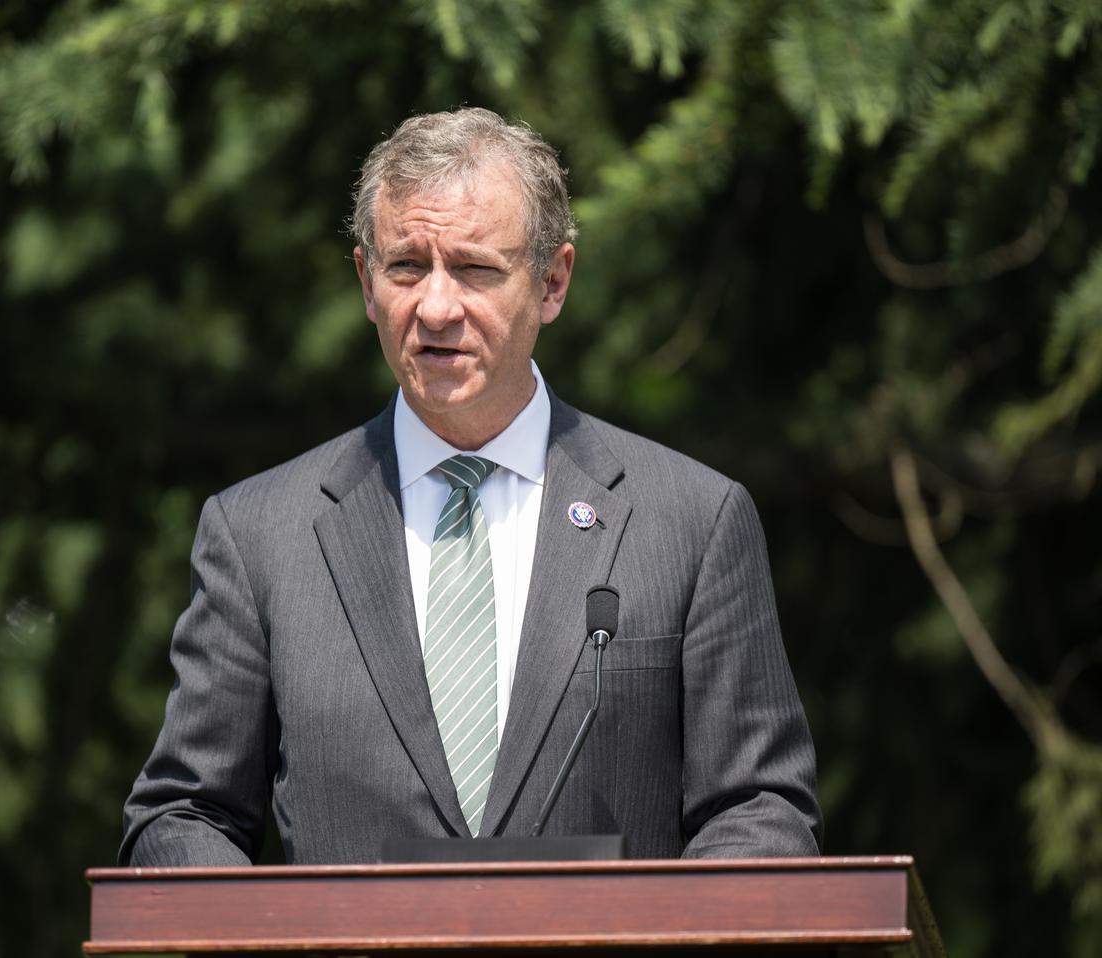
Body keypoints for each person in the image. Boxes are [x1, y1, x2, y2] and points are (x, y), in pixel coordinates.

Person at [120, 108, 822, 866]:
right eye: (406, 267)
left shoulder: (690, 521)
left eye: (475, 269)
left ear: (552, 282)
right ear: (366, 284)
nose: (436, 308)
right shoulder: (260, 535)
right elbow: (184, 815)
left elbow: (759, 808)